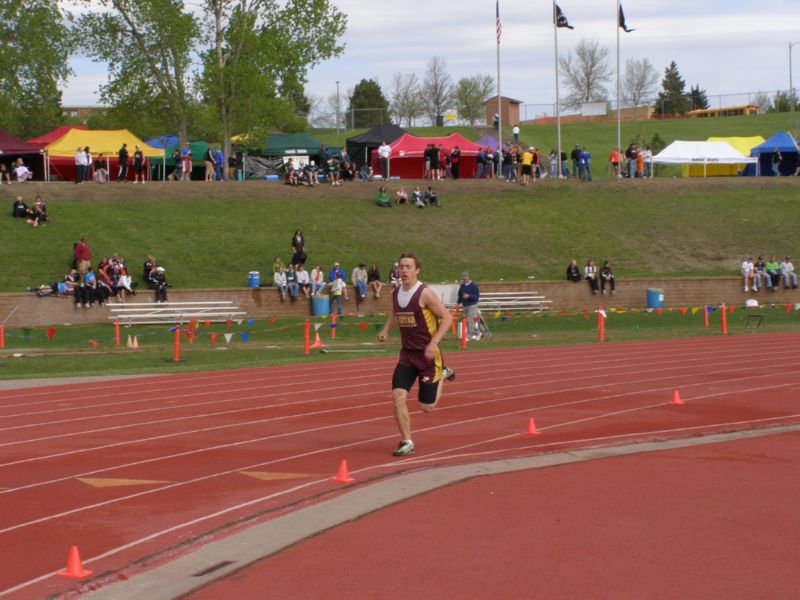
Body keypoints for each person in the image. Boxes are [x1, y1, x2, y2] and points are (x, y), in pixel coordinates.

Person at [377, 251, 455, 457]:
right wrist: (386, 330)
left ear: (417, 270)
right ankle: (407, 440)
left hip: (428, 356)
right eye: (401, 266)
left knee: (426, 406)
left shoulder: (424, 293)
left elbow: (447, 318)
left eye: (408, 267)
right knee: (397, 395)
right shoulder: (396, 293)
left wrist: (434, 343)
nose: (403, 270)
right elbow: (395, 314)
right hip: (407, 355)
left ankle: (443, 374)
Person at [456, 271, 481, 340]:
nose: (464, 279)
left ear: (468, 277)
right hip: (465, 306)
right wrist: (457, 303)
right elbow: (460, 296)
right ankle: (478, 333)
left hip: (472, 305)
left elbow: (477, 296)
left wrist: (469, 296)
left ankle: (469, 336)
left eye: (465, 278)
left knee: (470, 320)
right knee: (468, 321)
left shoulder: (474, 285)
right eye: (463, 278)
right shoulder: (462, 286)